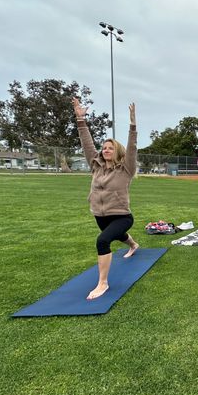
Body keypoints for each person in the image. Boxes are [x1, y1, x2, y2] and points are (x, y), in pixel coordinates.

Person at [72, 98, 140, 300]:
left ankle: (102, 283)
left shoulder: (126, 168)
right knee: (117, 236)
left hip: (122, 215)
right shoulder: (96, 165)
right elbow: (87, 144)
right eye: (104, 147)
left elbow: (133, 147)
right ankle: (133, 244)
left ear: (117, 151)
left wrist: (133, 125)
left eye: (110, 147)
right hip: (99, 214)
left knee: (103, 240)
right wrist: (80, 119)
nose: (105, 150)